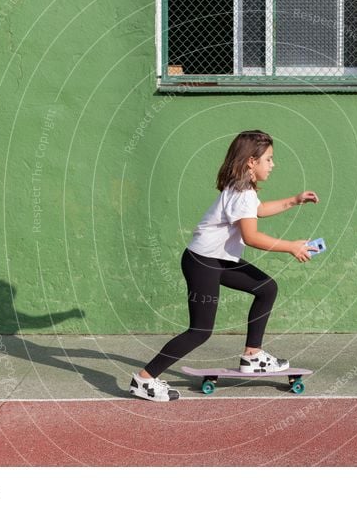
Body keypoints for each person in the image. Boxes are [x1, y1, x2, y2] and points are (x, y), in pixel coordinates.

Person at [130, 130, 320, 402]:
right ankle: (144, 379)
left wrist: (294, 200)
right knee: (200, 331)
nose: (273, 164)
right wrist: (291, 246)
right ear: (251, 162)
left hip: (218, 261)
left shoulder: (243, 188)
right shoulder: (241, 192)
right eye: (269, 159)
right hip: (203, 263)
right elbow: (251, 236)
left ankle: (253, 355)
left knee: (266, 288)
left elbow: (259, 210)